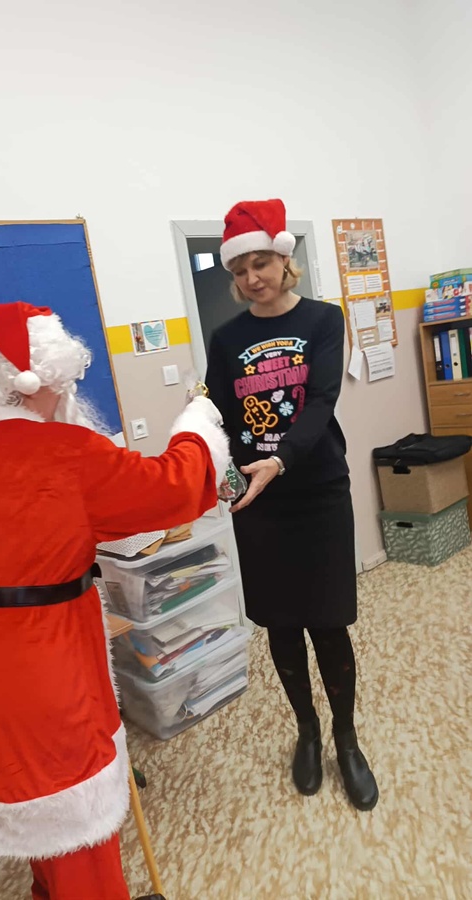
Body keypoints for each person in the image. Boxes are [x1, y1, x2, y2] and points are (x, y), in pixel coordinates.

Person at [0, 300, 228, 900]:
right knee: (77, 839)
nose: (68, 392)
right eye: (64, 380)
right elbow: (175, 486)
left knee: (40, 835)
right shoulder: (66, 453)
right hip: (44, 679)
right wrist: (197, 425)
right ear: (42, 379)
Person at [205, 199, 378, 812]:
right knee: (281, 623)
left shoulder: (324, 320)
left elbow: (322, 399)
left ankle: (346, 738)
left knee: (328, 622)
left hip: (318, 491)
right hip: (259, 502)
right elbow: (218, 412)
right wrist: (204, 458)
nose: (252, 278)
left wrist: (279, 460)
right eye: (240, 270)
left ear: (283, 260)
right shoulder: (227, 338)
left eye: (261, 264)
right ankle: (306, 730)